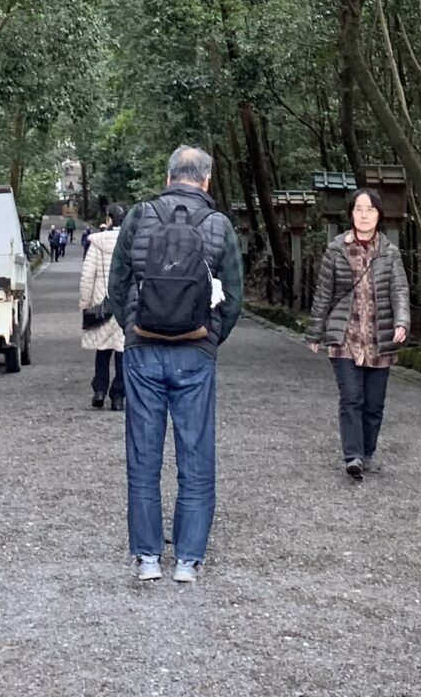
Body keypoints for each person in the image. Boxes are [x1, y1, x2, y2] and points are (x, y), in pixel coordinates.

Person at [108, 145, 242, 585]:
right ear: (206, 180)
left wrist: (133, 327)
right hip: (195, 353)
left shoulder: (140, 216)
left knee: (144, 456)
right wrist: (208, 339)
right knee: (196, 454)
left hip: (143, 351)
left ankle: (147, 558)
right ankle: (187, 560)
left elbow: (117, 283)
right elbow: (236, 299)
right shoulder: (218, 225)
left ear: (169, 177)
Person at [306, 188, 409, 482]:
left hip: (379, 338)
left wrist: (402, 322)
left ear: (379, 214)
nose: (364, 215)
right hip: (344, 336)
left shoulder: (390, 253)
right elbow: (323, 294)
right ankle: (352, 456)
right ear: (351, 213)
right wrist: (315, 333)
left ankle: (367, 452)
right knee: (351, 396)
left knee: (374, 403)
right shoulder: (336, 249)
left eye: (370, 209)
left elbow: (399, 291)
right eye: (359, 209)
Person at [79, 202, 126, 410]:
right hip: (124, 305)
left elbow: (87, 276)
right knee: (123, 351)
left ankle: (99, 389)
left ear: (108, 219)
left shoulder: (96, 243)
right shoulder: (130, 242)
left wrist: (85, 303)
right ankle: (118, 396)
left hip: (101, 303)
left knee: (103, 349)